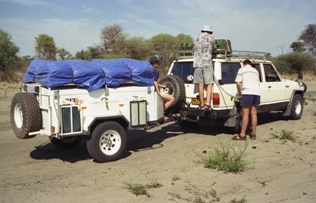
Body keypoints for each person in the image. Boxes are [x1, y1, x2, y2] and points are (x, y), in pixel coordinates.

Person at [233, 59, 260, 140]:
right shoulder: (255, 71)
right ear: (250, 64)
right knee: (254, 114)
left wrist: (240, 92)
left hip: (247, 92)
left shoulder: (241, 70)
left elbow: (238, 83)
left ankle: (242, 134)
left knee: (245, 114)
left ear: (243, 64)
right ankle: (253, 133)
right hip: (256, 93)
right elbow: (258, 82)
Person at [193, 25, 217, 110]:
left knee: (200, 84)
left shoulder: (196, 38)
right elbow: (214, 49)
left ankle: (202, 104)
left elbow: (194, 49)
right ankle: (208, 104)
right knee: (209, 84)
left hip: (197, 64)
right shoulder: (211, 38)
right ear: (209, 32)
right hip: (207, 63)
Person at [149, 56, 175, 121]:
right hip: (154, 91)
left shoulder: (148, 70)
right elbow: (155, 82)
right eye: (158, 63)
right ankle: (161, 113)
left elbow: (152, 82)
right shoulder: (155, 71)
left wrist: (162, 86)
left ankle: (161, 114)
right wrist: (158, 93)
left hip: (149, 90)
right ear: (154, 64)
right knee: (171, 99)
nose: (159, 64)